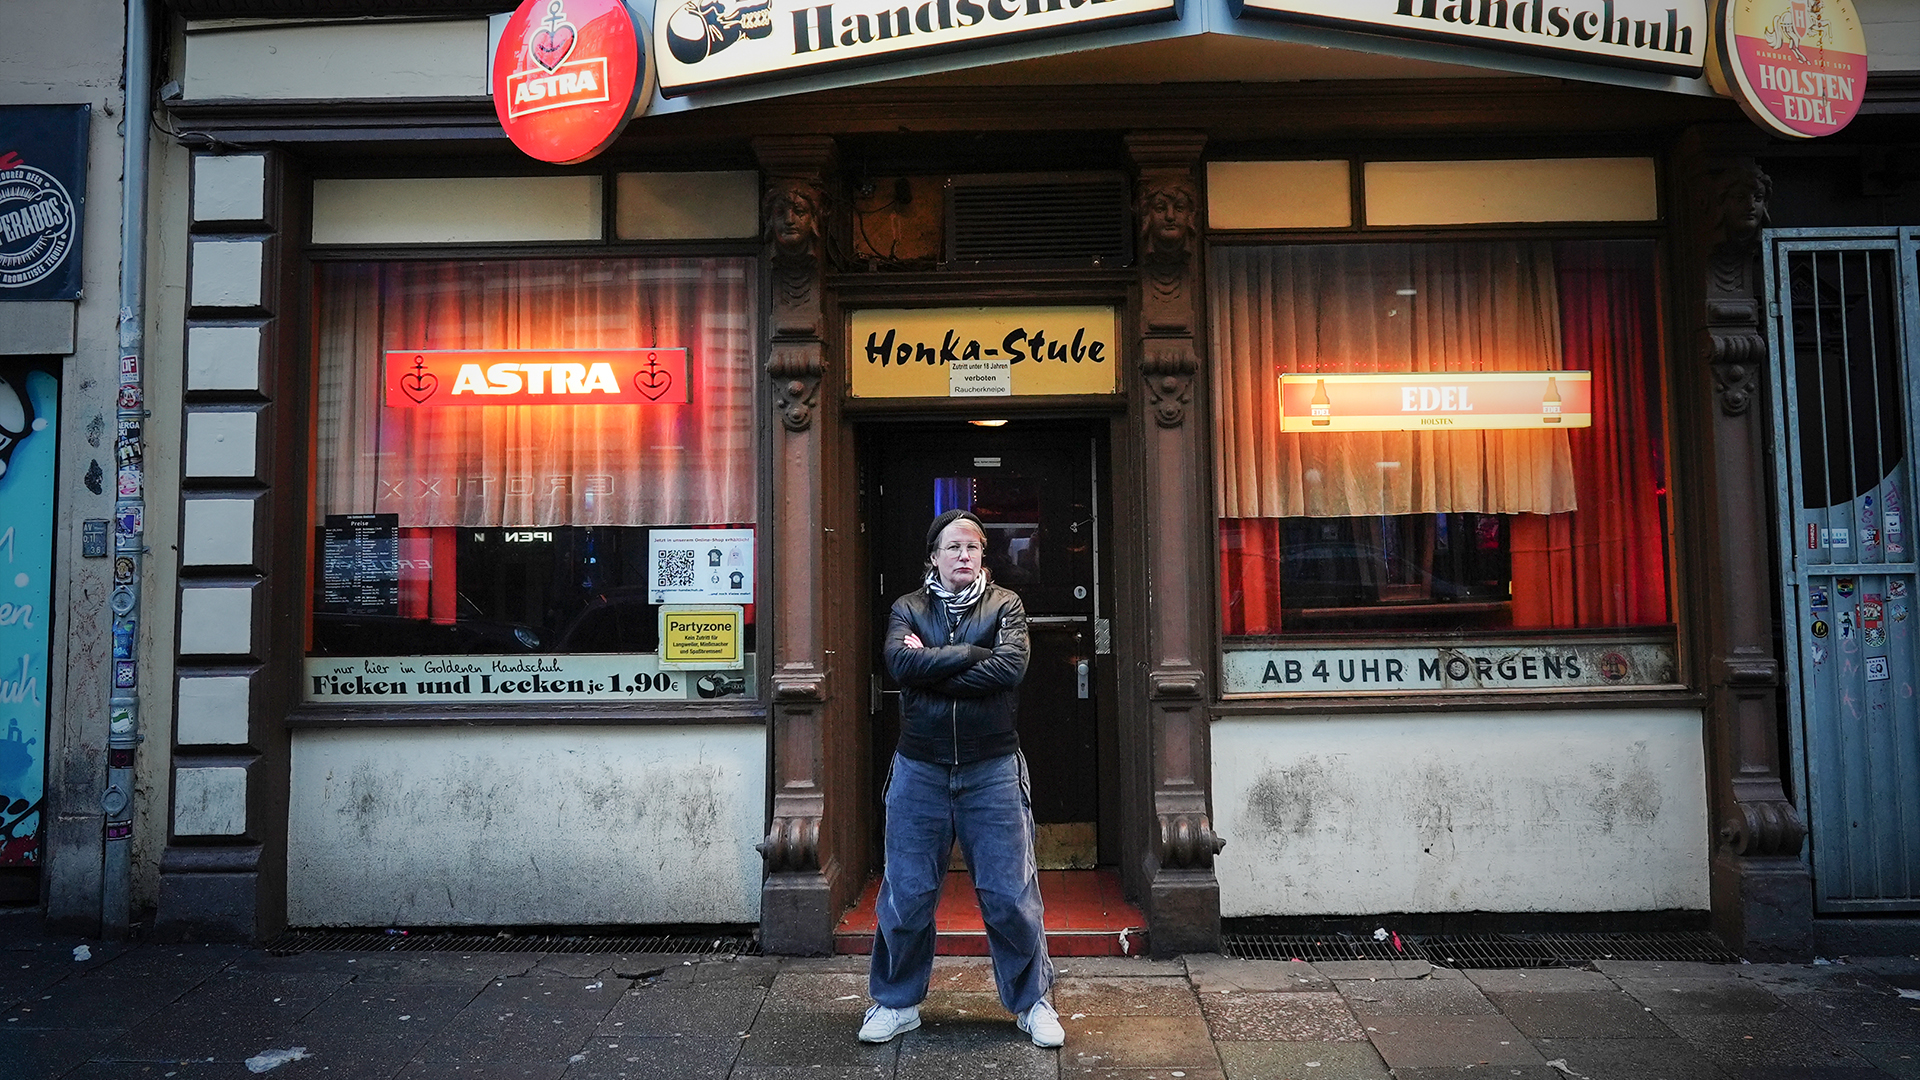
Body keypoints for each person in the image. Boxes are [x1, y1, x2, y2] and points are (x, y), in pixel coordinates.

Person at [859, 508, 1064, 1049]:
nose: (964, 556)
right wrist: (973, 655)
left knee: (1009, 895)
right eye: (953, 547)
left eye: (973, 547)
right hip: (919, 769)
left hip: (991, 769)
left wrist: (935, 665)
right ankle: (896, 1003)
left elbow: (1009, 669)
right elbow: (900, 667)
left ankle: (1032, 1001)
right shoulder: (907, 607)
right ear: (934, 556)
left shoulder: (1006, 605)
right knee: (906, 893)